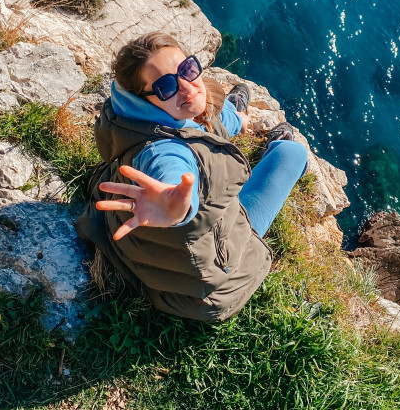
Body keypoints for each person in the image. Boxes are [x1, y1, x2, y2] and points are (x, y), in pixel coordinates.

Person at [75, 32, 308, 322]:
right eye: (166, 86)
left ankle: (236, 113)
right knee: (292, 154)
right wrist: (176, 205)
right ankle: (270, 136)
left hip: (148, 257)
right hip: (205, 290)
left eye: (187, 69)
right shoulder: (162, 153)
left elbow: (197, 112)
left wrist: (235, 120)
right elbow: (171, 168)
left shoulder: (129, 118)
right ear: (143, 98)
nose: (187, 87)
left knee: (208, 107)